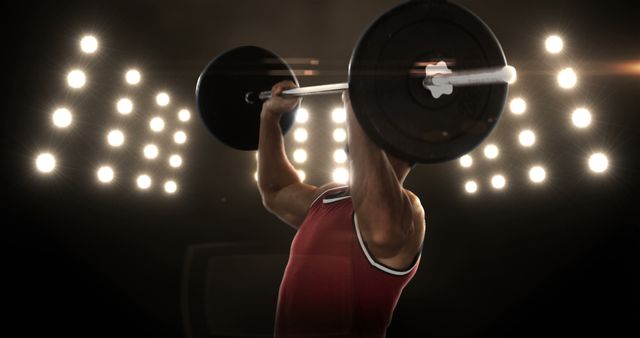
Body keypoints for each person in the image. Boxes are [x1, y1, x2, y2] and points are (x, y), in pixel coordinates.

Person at [257, 80, 426, 337]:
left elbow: (378, 221)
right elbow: (275, 190)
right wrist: (270, 116)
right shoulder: (328, 196)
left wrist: (356, 107)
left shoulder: (408, 211)